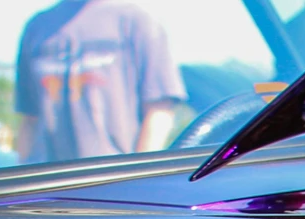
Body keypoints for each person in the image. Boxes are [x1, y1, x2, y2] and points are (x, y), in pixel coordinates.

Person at [14, 0, 186, 162]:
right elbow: (30, 120)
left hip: (111, 182)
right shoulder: (38, 28)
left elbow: (159, 112)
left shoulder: (138, 21)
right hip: (49, 183)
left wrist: (136, 178)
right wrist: (21, 179)